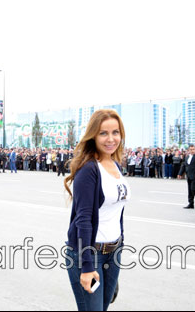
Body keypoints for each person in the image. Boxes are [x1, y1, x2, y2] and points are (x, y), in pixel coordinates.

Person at [64, 109, 129, 311]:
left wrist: (120, 244)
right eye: (103, 133)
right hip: (91, 256)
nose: (111, 139)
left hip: (113, 253)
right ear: (93, 135)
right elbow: (83, 220)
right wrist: (87, 267)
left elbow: (117, 211)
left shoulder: (115, 165)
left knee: (103, 307)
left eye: (115, 132)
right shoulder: (89, 168)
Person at [178, 144, 195, 209]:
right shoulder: (187, 156)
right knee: (190, 190)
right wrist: (180, 173)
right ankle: (191, 204)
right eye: (191, 149)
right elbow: (184, 166)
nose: (192, 150)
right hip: (189, 175)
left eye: (193, 149)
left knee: (193, 188)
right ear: (189, 150)